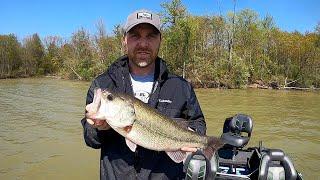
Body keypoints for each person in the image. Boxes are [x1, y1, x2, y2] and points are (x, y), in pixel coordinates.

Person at [81, 9, 206, 180]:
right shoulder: (103, 85)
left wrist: (193, 135)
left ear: (160, 40)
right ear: (124, 40)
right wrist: (98, 128)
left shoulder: (181, 87)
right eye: (135, 36)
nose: (143, 43)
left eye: (151, 36)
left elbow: (198, 122)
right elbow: (91, 140)